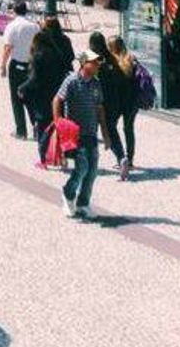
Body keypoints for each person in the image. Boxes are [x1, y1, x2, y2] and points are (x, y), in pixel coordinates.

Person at [53, 50, 109, 219]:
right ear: (84, 63)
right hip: (75, 134)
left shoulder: (96, 84)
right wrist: (59, 123)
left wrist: (105, 134)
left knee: (92, 170)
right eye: (94, 62)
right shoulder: (71, 81)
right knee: (82, 167)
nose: (97, 65)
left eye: (98, 63)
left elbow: (100, 108)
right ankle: (68, 194)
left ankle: (83, 203)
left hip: (91, 133)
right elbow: (57, 100)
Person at [18, 16, 75, 166]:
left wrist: (22, 88)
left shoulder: (39, 55)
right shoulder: (60, 47)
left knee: (43, 125)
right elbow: (70, 59)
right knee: (57, 122)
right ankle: (61, 154)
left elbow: (35, 78)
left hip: (42, 94)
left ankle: (43, 158)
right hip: (58, 89)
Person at [0, 1, 40, 139]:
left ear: (14, 11)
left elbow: (7, 48)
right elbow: (38, 46)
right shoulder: (34, 26)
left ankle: (21, 130)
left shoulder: (11, 26)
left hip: (16, 64)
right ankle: (36, 127)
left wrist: (3, 65)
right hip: (30, 65)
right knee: (31, 97)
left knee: (16, 98)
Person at [89, 31, 124, 178]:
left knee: (90, 132)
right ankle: (121, 157)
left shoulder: (91, 58)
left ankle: (91, 162)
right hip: (113, 101)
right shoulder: (111, 58)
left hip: (96, 102)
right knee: (111, 130)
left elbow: (83, 76)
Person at [106, 35, 140, 177]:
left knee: (111, 127)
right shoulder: (132, 59)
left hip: (118, 101)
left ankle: (120, 157)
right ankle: (130, 159)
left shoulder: (112, 62)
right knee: (128, 129)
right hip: (132, 101)